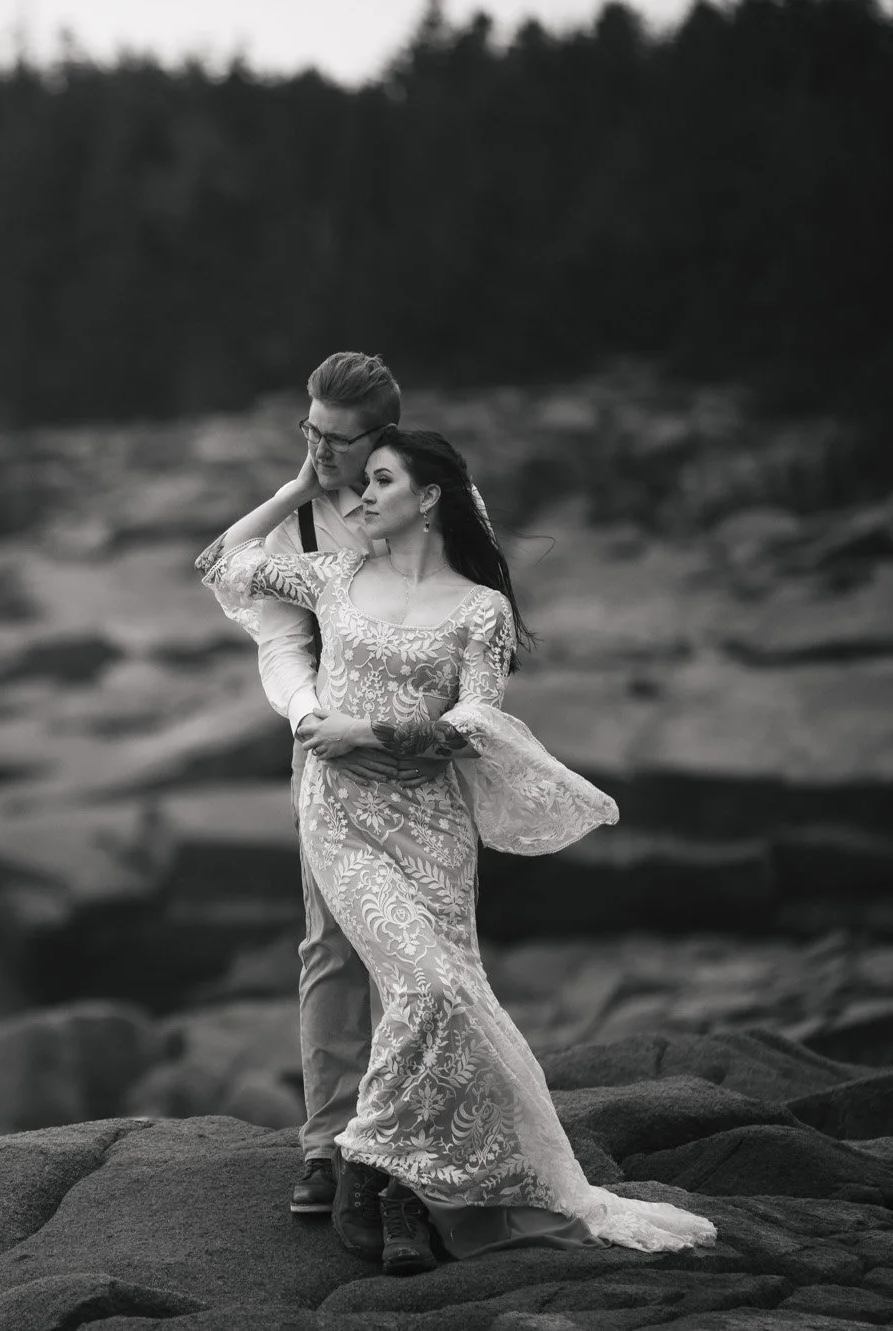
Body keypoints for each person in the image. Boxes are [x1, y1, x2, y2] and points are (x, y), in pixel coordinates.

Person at [194, 426, 717, 1275]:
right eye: (361, 483)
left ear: (429, 497)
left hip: (434, 828)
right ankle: (372, 1166)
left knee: (443, 994)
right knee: (427, 985)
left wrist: (368, 728)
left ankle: (394, 1180)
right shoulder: (332, 574)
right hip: (342, 815)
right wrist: (297, 490)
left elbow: (476, 724)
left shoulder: (482, 609)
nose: (361, 497)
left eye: (381, 481)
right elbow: (220, 560)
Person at [244, 353, 467, 1254]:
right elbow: (275, 640)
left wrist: (424, 728)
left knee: (426, 954)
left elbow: (480, 616)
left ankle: (407, 1149)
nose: (319, 449)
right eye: (309, 430)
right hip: (327, 752)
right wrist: (311, 718)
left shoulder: (442, 497)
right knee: (333, 946)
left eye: (336, 439)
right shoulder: (298, 520)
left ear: (384, 437)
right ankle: (329, 1146)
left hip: (424, 760)